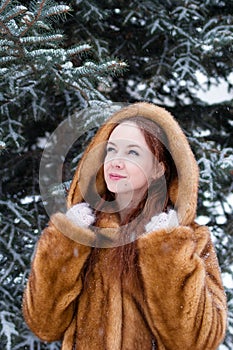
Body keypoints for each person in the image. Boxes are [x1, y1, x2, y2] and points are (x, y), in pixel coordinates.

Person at [23, 102, 227, 350]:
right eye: (111, 150)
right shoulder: (84, 233)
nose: (115, 162)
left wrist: (166, 250)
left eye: (132, 153)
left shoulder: (189, 240)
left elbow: (197, 342)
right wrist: (67, 241)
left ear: (158, 168)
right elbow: (44, 324)